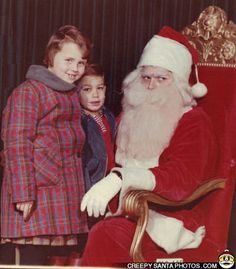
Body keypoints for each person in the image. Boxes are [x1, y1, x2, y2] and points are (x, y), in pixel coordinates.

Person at [79, 26, 218, 266]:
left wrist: (120, 179)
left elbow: (182, 179)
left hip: (166, 218)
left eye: (161, 78)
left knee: (104, 236)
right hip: (125, 210)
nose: (151, 85)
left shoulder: (194, 120)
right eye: (146, 77)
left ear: (179, 82)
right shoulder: (130, 114)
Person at [0, 25, 91, 265]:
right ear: (51, 57)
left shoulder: (69, 94)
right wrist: (23, 194)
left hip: (61, 200)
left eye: (81, 62)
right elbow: (16, 144)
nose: (75, 68)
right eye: (69, 60)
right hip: (35, 200)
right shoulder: (29, 92)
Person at [78, 63, 116, 227]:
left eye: (99, 88)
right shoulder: (80, 121)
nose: (95, 95)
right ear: (76, 91)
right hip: (91, 185)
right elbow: (82, 163)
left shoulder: (108, 116)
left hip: (110, 184)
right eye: (87, 89)